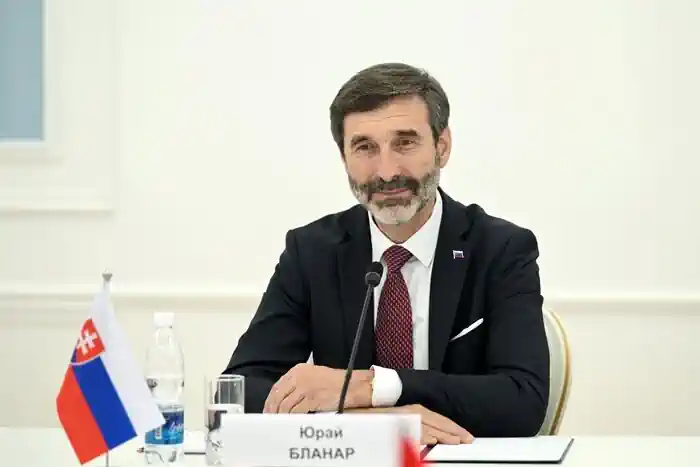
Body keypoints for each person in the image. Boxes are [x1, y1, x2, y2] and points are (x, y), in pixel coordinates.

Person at [223, 62, 550, 444]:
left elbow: (522, 402)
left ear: (442, 147)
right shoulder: (312, 251)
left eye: (405, 143)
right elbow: (239, 391)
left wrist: (371, 387)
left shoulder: (501, 250)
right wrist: (377, 423)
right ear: (343, 157)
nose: (387, 171)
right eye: (365, 147)